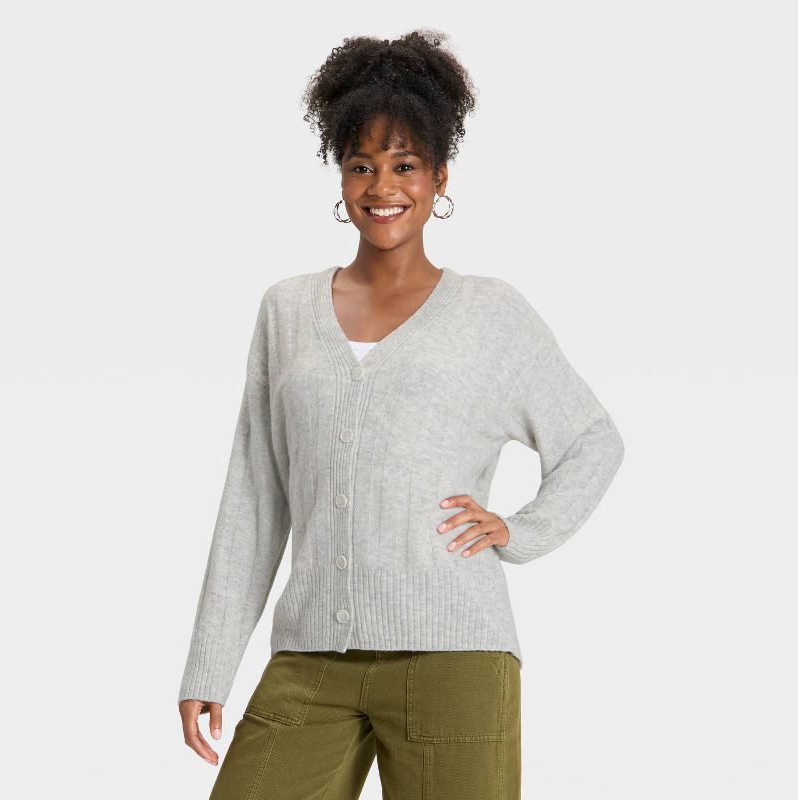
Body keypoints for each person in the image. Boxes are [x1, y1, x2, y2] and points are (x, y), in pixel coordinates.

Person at [177, 29, 624, 799]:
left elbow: (592, 439)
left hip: (455, 656)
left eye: (405, 164)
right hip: (311, 659)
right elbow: (254, 498)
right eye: (362, 165)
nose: (382, 186)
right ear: (341, 175)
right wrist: (210, 664)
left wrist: (518, 529)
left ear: (440, 175)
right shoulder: (286, 311)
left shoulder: (491, 314)